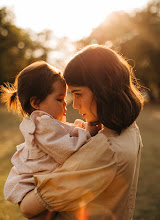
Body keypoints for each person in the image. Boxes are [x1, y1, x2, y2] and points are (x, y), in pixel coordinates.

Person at [20, 44, 145, 220]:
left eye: (78, 94)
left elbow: (27, 207)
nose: (74, 105)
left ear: (103, 89)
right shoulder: (130, 130)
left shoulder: (105, 149)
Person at [1, 61, 96, 207]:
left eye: (64, 99)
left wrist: (81, 128)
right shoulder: (42, 123)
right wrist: (87, 133)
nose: (65, 104)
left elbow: (65, 132)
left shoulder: (43, 121)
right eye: (59, 99)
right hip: (34, 183)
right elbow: (67, 149)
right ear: (36, 103)